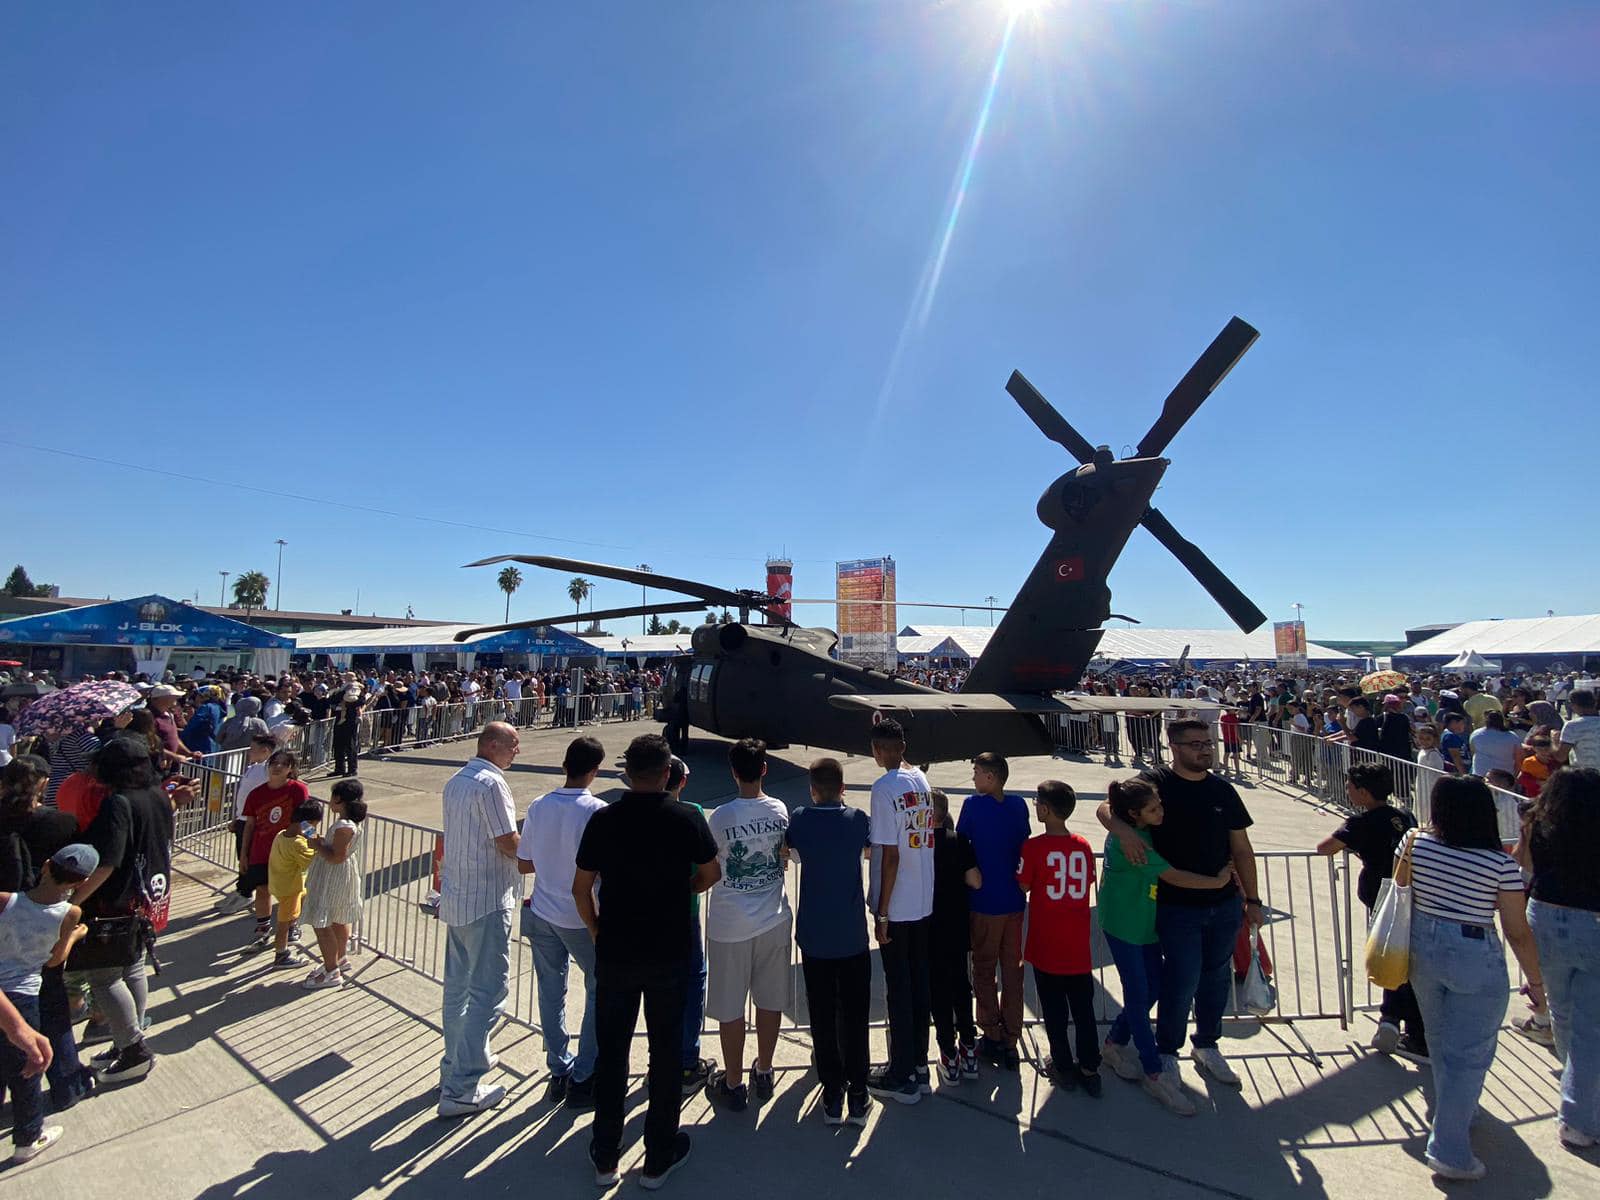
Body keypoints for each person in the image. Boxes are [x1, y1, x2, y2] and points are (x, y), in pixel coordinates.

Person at [573, 734, 718, 1189]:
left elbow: (581, 887)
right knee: (665, 1053)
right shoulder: (684, 818)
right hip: (669, 952)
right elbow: (711, 872)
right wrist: (683, 892)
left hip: (617, 950)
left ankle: (604, 1154)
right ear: (665, 774)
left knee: (613, 1054)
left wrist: (597, 930)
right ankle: (658, 1156)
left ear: (629, 773)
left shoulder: (605, 818)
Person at [1097, 719, 1259, 1089]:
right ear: (1174, 747)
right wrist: (1123, 832)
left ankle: (1208, 1044)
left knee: (1216, 978)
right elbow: (1109, 807)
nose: (1205, 748)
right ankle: (1167, 1052)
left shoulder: (1223, 791)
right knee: (1180, 980)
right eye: (1195, 743)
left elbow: (1242, 850)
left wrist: (1253, 900)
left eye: (1208, 742)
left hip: (1224, 904)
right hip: (1176, 906)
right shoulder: (1155, 785)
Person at [1399, 775, 1541, 1181]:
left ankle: (1458, 1109)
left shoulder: (1415, 841)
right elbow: (1516, 930)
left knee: (1443, 1042)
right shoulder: (1498, 863)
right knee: (1472, 1052)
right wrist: (1537, 982)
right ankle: (1449, 1147)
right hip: (1473, 949)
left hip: (1422, 947)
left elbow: (1401, 885)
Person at [1097, 777, 1233, 1115]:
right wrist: (1217, 882)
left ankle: (1114, 1043)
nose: (1161, 812)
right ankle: (1153, 1069)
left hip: (1144, 924)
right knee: (1139, 996)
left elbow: (1107, 808)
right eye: (1153, 809)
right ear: (1135, 814)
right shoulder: (1135, 846)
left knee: (1154, 987)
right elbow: (1173, 876)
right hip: (1124, 925)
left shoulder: (1133, 832)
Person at [71, 736, 174, 1085]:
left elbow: (108, 863)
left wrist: (73, 901)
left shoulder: (119, 803)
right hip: (149, 896)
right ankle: (128, 1040)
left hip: (116, 902)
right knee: (132, 968)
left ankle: (133, 1050)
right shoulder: (159, 794)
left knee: (104, 977)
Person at [436, 722, 522, 1118]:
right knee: (488, 993)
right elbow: (506, 841)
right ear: (490, 745)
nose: (516, 752)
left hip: (458, 897)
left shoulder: (457, 780)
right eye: (512, 745)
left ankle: (453, 1065)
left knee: (458, 990)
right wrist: (536, 857)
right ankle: (462, 1085)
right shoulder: (491, 783)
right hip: (486, 898)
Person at [516, 735, 606, 1108]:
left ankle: (559, 1067)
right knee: (599, 988)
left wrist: (552, 859)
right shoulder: (597, 811)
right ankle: (586, 1071)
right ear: (595, 771)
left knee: (551, 991)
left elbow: (524, 862)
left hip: (542, 910)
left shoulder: (539, 805)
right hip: (580, 916)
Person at [1314, 762, 1425, 1059]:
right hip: (1410, 896)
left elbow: (1324, 847)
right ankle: (1391, 1018)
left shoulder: (1360, 823)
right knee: (1402, 957)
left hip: (1382, 898)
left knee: (1392, 960)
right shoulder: (1404, 815)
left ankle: (1406, 1026)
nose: (1347, 790)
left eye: (1350, 786)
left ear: (1363, 792)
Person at [703, 739, 791, 1111]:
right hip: (773, 917)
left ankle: (734, 1080)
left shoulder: (720, 816)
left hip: (730, 922)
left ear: (734, 772)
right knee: (769, 1001)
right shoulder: (779, 809)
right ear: (765, 769)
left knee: (730, 1006)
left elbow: (712, 864)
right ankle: (766, 1069)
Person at [785, 756, 873, 1125]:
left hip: (815, 934)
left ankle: (832, 1091)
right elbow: (869, 849)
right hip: (851, 934)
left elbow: (789, 850)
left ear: (812, 789)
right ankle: (859, 1091)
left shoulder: (801, 818)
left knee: (821, 1013)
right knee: (855, 1014)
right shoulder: (857, 820)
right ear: (843, 789)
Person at [0, 843, 95, 1164]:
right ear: (79, 883)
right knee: (26, 1069)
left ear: (44, 865)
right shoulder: (70, 913)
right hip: (25, 995)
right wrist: (74, 937)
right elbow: (55, 961)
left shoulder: (6, 901)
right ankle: (28, 1136)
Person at [1525, 767, 1600, 1152]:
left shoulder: (1540, 824)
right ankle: (1578, 1114)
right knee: (1591, 1026)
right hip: (1592, 922)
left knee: (1563, 1011)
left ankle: (1580, 1092)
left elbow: (1528, 868)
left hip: (1544, 915)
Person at [865, 718, 935, 1106]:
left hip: (899, 901)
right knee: (918, 982)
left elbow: (889, 854)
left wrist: (884, 911)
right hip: (923, 898)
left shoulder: (883, 787)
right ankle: (919, 1065)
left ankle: (902, 1072)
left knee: (899, 987)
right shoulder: (920, 780)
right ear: (903, 746)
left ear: (877, 750)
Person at [1016, 781, 1101, 1094]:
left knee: (1054, 1010)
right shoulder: (1083, 846)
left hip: (1047, 942)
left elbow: (1023, 885)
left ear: (1045, 809)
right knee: (1084, 1010)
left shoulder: (1034, 848)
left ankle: (1063, 1064)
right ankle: (1090, 1066)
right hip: (1077, 943)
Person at [957, 751, 1030, 1071]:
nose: (973, 778)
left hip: (984, 902)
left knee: (984, 971)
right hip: (1014, 901)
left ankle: (991, 1033)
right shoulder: (1018, 805)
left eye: (976, 773)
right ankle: (1012, 1037)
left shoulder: (973, 806)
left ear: (990, 777)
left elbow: (961, 845)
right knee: (1013, 971)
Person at [663, 755, 716, 1096]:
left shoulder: (624, 814)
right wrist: (688, 890)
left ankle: (661, 1061)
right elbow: (708, 869)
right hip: (682, 912)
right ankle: (685, 1061)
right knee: (693, 980)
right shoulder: (693, 812)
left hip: (641, 917)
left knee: (656, 988)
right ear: (681, 782)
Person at [928, 788, 980, 1085]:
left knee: (939, 992)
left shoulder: (918, 844)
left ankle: (948, 1053)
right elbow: (975, 880)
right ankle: (970, 1048)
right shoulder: (959, 841)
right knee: (961, 986)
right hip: (958, 927)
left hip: (931, 928)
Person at [240, 750, 310, 951]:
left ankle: (292, 925)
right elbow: (250, 825)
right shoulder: (256, 794)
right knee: (262, 889)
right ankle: (262, 928)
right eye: (274, 763)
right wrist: (244, 854)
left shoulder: (298, 790)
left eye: (283, 764)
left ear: (290, 769)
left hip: (288, 851)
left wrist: (313, 841)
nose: (277, 767)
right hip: (260, 850)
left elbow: (305, 820)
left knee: (293, 892)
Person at [301, 778, 365, 989]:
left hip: (333, 877)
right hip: (339, 875)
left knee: (323, 923)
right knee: (338, 919)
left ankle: (331, 970)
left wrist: (316, 844)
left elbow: (336, 856)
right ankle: (339, 957)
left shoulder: (344, 826)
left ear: (338, 799)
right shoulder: (350, 824)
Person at [267, 798, 323, 969]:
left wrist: (311, 836)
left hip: (278, 882)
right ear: (306, 824)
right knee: (282, 923)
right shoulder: (297, 844)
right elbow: (311, 861)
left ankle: (292, 927)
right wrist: (318, 843)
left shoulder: (281, 834)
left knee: (303, 898)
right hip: (289, 888)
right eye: (313, 825)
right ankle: (281, 954)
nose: (313, 830)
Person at [1554, 689, 1600, 770]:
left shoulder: (1573, 726)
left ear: (1574, 705)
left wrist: (1555, 741)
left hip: (1587, 775)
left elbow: (1561, 757)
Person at [1468, 710, 1522, 780]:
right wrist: (1515, 777)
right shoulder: (1513, 737)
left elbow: (1473, 752)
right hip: (1504, 776)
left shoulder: (1476, 734)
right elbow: (1518, 759)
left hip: (1480, 774)